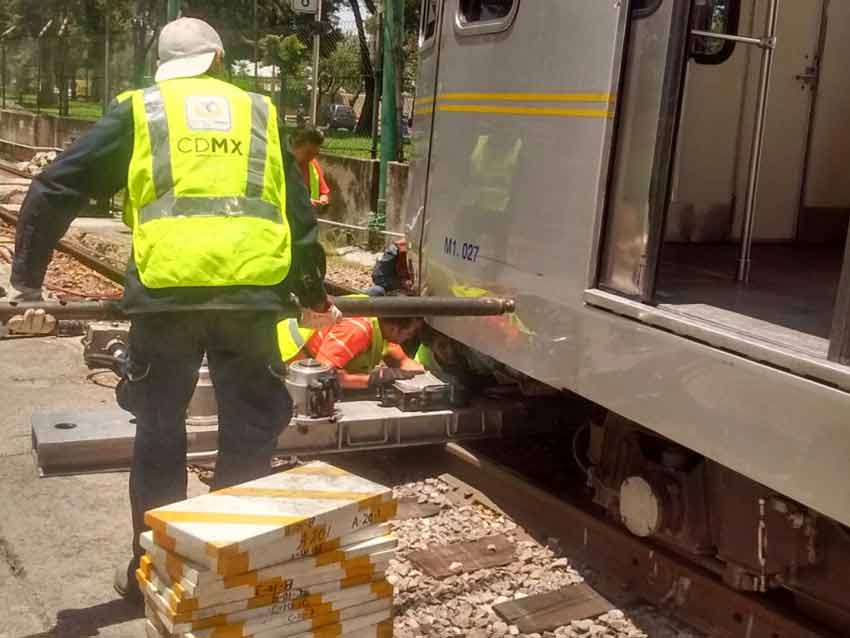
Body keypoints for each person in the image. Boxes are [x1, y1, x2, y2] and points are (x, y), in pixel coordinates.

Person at [7, 17, 340, 603]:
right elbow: (296, 214)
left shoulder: (141, 111)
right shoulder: (259, 112)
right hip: (250, 301)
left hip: (164, 302)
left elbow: (56, 186)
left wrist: (27, 284)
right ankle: (230, 570)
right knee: (249, 431)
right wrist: (313, 291)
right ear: (218, 59)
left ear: (164, 66)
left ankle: (153, 569)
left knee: (160, 433)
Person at [278, 314, 423, 390]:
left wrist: (405, 362)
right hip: (279, 363)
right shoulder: (357, 330)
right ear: (395, 329)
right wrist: (373, 379)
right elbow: (323, 376)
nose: (408, 338)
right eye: (409, 334)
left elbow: (390, 347)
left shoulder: (376, 316)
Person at [290, 127, 330, 209]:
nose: (311, 158)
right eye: (307, 153)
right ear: (294, 146)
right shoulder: (282, 166)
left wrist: (323, 200)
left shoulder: (313, 164)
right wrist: (304, 202)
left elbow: (323, 192)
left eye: (315, 154)